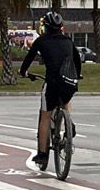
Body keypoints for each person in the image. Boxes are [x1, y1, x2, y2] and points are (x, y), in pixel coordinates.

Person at [18, 11, 81, 169]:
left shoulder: (41, 41)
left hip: (52, 83)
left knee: (45, 116)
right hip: (69, 82)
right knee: (66, 98)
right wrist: (77, 75)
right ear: (61, 27)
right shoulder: (68, 41)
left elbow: (28, 59)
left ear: (45, 27)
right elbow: (77, 60)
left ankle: (42, 154)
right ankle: (69, 123)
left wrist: (23, 72)